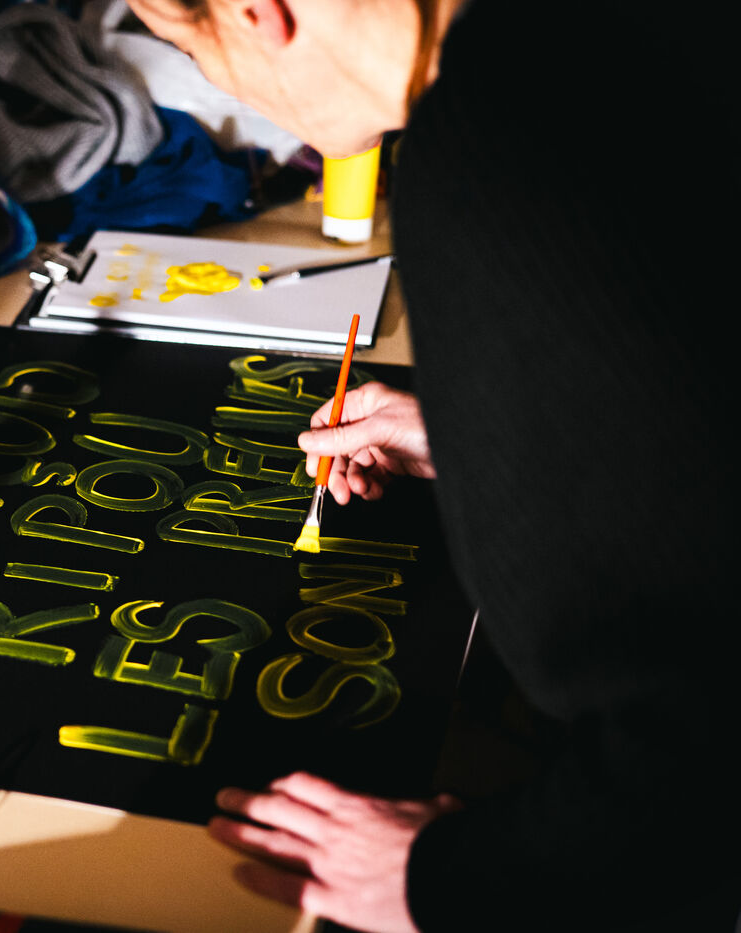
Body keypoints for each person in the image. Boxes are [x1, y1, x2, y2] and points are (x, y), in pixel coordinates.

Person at [123, 0, 740, 931]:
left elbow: (693, 737)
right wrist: (495, 435)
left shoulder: (492, 153)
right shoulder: (619, 37)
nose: (222, 86)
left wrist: (448, 877)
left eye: (189, 49)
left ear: (258, 14)